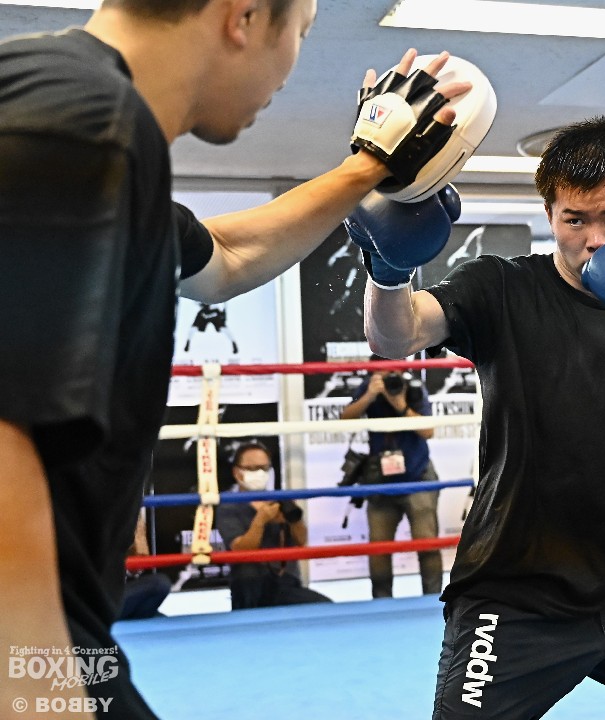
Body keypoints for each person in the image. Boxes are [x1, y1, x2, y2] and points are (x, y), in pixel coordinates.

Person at [0, 0, 472, 716]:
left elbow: (223, 255)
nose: (291, 66)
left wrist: (367, 168)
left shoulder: (73, 107)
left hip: (63, 631)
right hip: (28, 642)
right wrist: (33, 687)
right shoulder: (81, 118)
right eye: (302, 33)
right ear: (244, 16)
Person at [355, 117, 605, 719]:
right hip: (512, 592)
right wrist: (388, 270)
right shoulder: (501, 287)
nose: (595, 239)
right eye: (575, 220)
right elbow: (397, 335)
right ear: (550, 215)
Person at [340, 357, 443, 598]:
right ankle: (381, 604)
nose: (389, 378)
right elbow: (344, 421)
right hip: (380, 480)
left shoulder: (413, 387)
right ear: (373, 373)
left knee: (427, 544)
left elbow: (428, 431)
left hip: (418, 476)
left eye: (393, 372)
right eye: (382, 373)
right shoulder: (368, 387)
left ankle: (432, 601)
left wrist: (400, 404)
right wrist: (369, 395)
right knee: (379, 548)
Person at [215, 441, 331, 609]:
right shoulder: (228, 505)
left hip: (285, 583)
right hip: (250, 587)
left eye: (264, 468)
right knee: (248, 574)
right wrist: (260, 520)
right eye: (252, 468)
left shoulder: (279, 499)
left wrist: (294, 520)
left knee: (324, 607)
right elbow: (241, 549)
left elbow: (301, 541)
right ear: (236, 472)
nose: (259, 473)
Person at [118, 510, 173, 620]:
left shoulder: (129, 516)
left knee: (164, 621)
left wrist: (132, 567)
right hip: (99, 600)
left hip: (119, 595)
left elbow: (136, 567)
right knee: (159, 584)